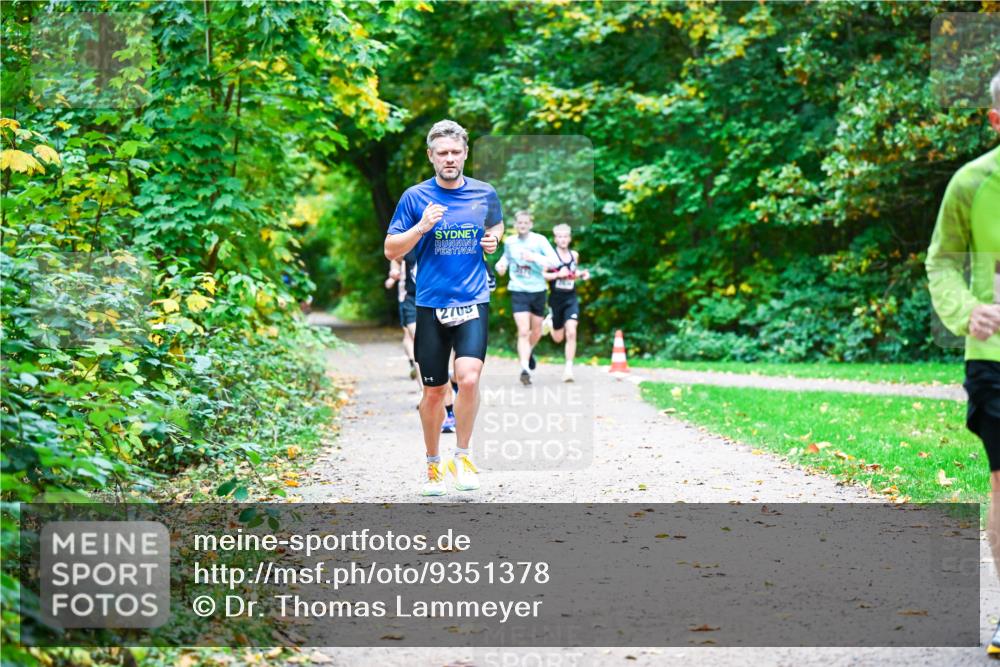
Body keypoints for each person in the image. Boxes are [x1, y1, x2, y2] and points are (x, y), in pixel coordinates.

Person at [384, 119, 504, 496]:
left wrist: (492, 241)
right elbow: (391, 250)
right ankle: (433, 463)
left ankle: (464, 456)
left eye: (456, 152)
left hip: (473, 299)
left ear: (465, 153)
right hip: (431, 303)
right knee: (434, 392)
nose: (449, 159)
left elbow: (496, 227)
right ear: (431, 156)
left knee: (468, 377)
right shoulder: (415, 198)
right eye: (443, 153)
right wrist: (421, 227)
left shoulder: (485, 194)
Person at [926, 68, 1000, 658]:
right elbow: (941, 261)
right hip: (995, 358)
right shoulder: (971, 183)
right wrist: (966, 311)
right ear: (996, 119)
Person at [495, 210, 558, 385]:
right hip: (518, 290)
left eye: (525, 223)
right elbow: (505, 259)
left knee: (536, 331)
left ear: (530, 224)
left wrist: (535, 257)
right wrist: (501, 266)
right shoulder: (510, 242)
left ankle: (527, 353)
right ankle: (525, 368)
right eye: (519, 223)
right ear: (515, 225)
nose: (522, 226)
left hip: (537, 290)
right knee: (523, 331)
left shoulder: (540, 241)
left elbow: (555, 262)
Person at [542, 224, 590, 382]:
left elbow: (572, 273)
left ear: (569, 238)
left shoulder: (574, 255)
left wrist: (581, 274)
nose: (563, 239)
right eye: (559, 237)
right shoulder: (550, 257)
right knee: (558, 338)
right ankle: (549, 322)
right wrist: (557, 276)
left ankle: (569, 369)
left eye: (565, 236)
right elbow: (543, 275)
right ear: (555, 239)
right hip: (556, 299)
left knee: (571, 331)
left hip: (571, 298)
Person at [385, 250, 418, 381]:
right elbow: (395, 259)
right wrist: (392, 276)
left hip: (428, 295)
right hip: (406, 297)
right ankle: (413, 362)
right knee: (409, 334)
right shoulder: (408, 246)